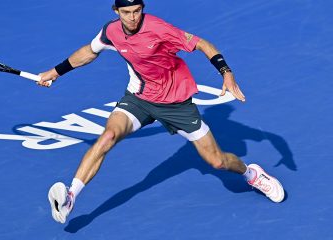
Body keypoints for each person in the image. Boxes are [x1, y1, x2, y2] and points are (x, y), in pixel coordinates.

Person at [38, 0, 285, 224]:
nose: (133, 17)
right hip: (139, 99)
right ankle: (70, 197)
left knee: (218, 161)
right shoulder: (111, 31)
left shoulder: (159, 28)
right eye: (126, 12)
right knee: (108, 137)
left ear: (142, 8)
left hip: (176, 104)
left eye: (137, 11)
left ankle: (251, 173)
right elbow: (88, 52)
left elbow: (202, 44)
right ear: (116, 11)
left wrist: (226, 71)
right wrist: (56, 72)